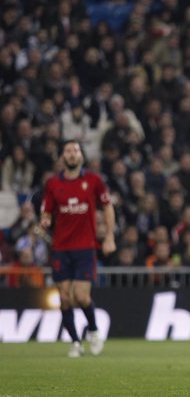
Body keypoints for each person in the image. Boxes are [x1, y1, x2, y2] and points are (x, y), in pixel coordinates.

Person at [40, 140, 116, 358]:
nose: (72, 154)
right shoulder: (53, 184)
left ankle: (93, 330)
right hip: (61, 248)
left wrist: (109, 235)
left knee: (81, 297)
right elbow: (46, 211)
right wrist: (45, 220)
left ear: (81, 155)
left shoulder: (93, 180)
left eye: (76, 150)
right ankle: (75, 342)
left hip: (85, 247)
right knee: (64, 298)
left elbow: (108, 206)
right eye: (68, 151)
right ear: (62, 157)